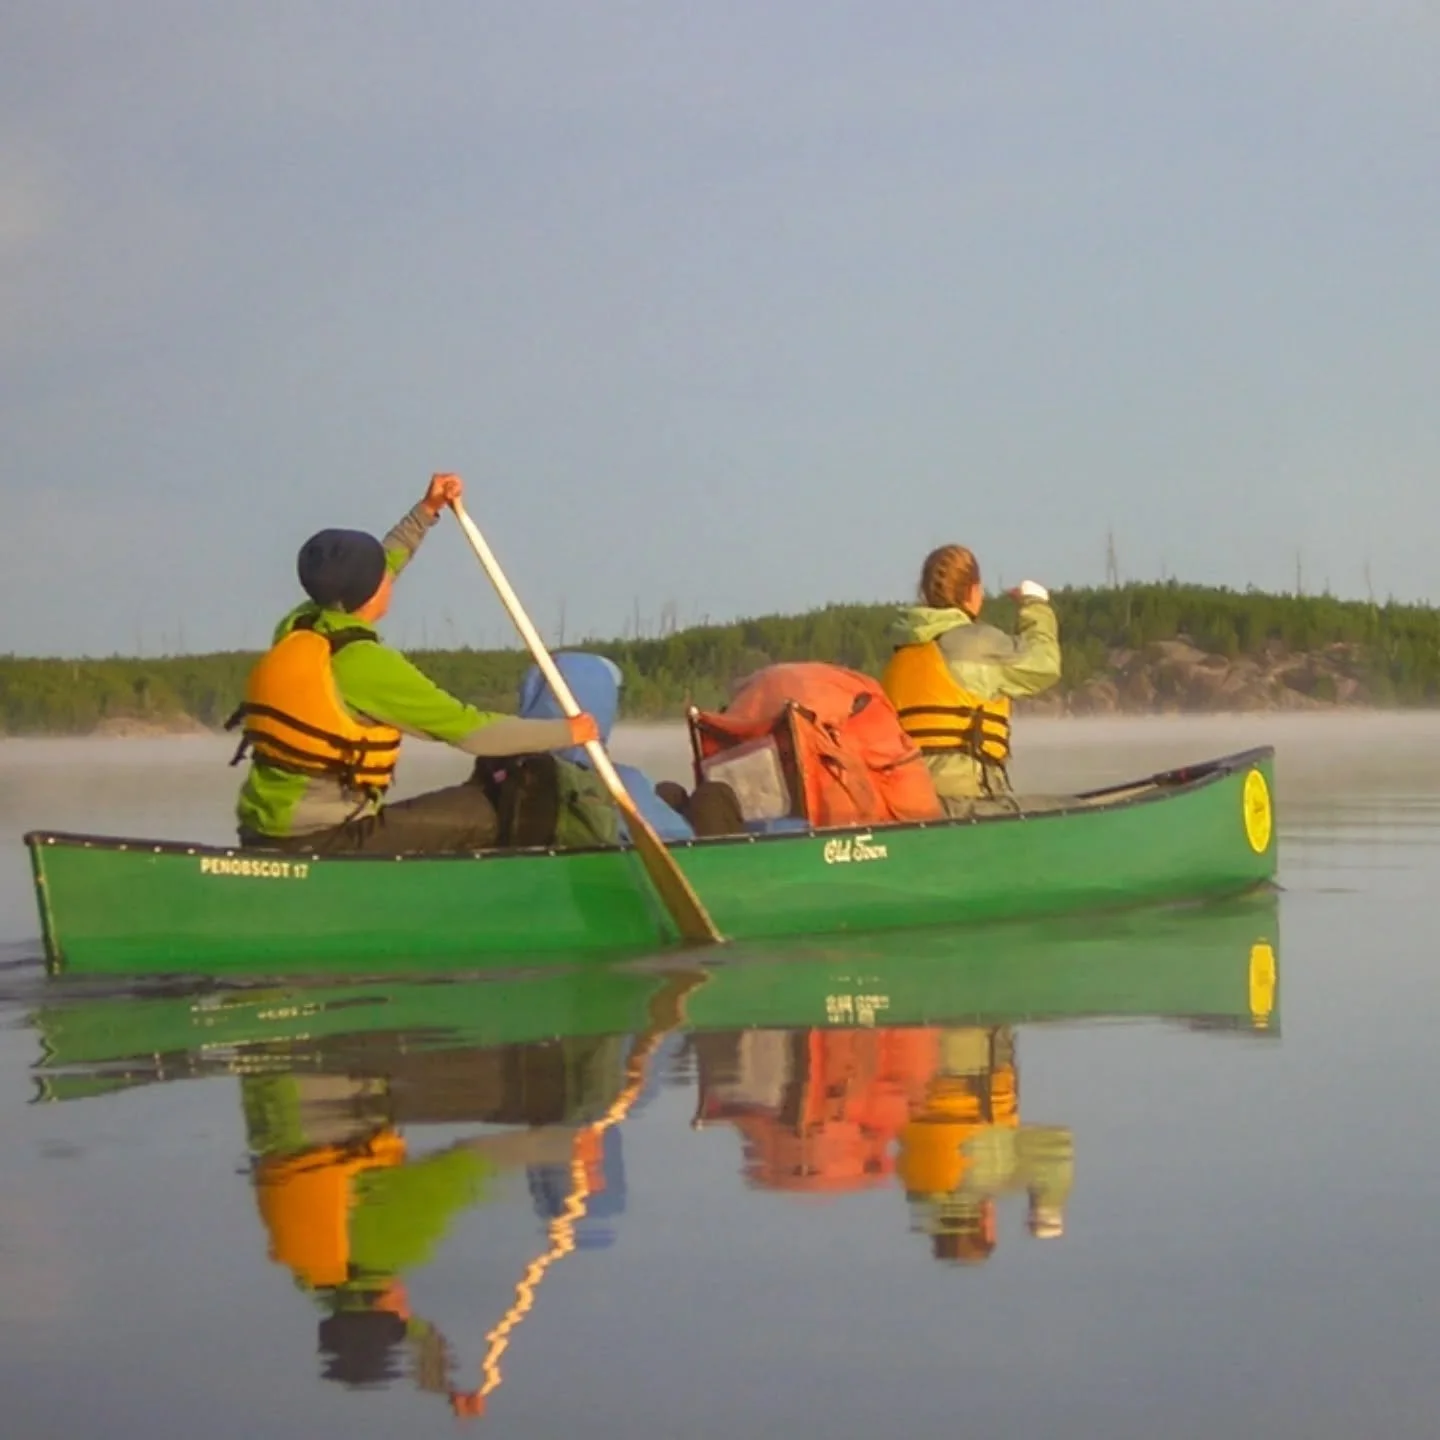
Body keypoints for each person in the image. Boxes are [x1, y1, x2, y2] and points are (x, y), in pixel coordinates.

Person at [230, 473, 600, 853]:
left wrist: (426, 511)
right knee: (494, 809)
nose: (391, 577)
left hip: (259, 831)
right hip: (328, 840)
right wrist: (570, 731)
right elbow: (472, 731)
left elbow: (385, 561)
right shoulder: (364, 664)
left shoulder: (298, 625)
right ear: (371, 590)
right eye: (384, 576)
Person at [881, 544, 1060, 814]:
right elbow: (1045, 663)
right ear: (973, 591)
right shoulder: (977, 644)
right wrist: (1035, 605)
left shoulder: (901, 655)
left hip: (911, 802)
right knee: (1067, 808)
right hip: (968, 802)